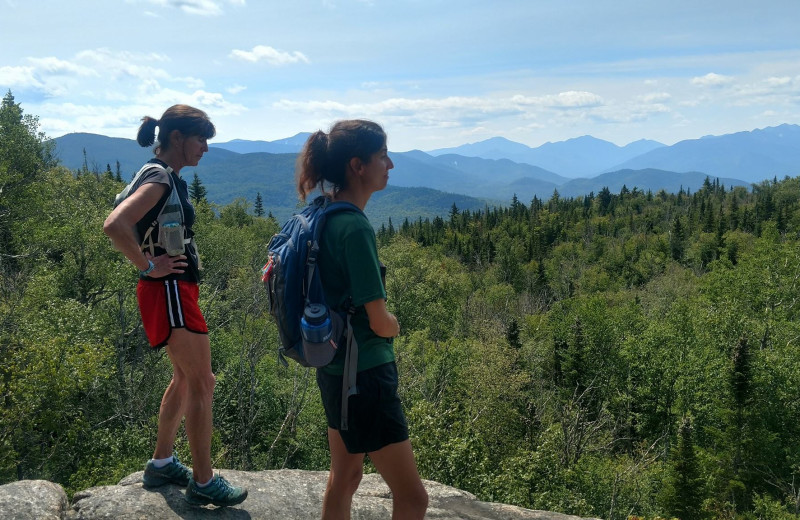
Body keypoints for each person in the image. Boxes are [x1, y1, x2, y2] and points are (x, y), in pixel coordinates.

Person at [103, 105, 247, 507]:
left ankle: (162, 462)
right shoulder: (161, 177)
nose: (205, 147)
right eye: (201, 139)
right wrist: (150, 266)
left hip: (168, 291)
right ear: (178, 138)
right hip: (170, 290)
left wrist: (151, 269)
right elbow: (115, 224)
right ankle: (203, 481)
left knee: (184, 380)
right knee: (203, 382)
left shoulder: (158, 174)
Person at [296, 120, 429, 520]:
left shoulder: (322, 213)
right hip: (366, 376)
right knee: (413, 498)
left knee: (346, 475)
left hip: (334, 369)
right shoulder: (354, 227)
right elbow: (378, 320)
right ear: (358, 165)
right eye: (382, 156)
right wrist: (396, 324)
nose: (390, 164)